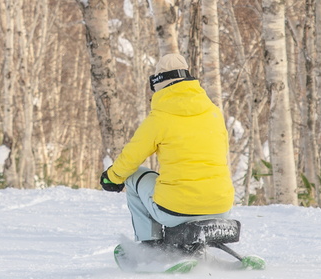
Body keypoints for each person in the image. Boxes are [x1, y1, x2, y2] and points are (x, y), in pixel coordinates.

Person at [99, 52, 234, 243]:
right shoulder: (213, 112)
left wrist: (111, 178)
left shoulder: (160, 118)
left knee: (132, 176)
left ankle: (148, 244)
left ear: (158, 83)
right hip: (221, 208)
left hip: (176, 210)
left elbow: (131, 157)